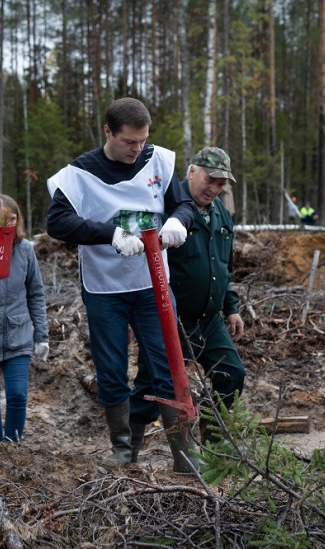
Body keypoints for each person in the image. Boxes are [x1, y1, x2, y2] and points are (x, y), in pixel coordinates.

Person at [46, 97, 194, 470]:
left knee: (166, 362)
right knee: (111, 367)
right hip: (105, 289)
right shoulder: (79, 173)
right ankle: (123, 449)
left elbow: (183, 203)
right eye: (129, 142)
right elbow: (57, 223)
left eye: (142, 140)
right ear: (108, 132)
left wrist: (178, 221)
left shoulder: (158, 160)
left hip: (153, 285)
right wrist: (108, 234)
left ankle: (183, 452)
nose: (137, 149)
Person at [129, 146, 246, 461]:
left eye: (222, 184)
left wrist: (231, 306)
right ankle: (128, 449)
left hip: (209, 319)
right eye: (210, 179)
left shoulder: (221, 212)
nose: (214, 188)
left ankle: (214, 440)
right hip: (172, 318)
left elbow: (224, 265)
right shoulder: (167, 206)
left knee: (232, 373)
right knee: (150, 383)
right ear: (192, 170)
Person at [0, 194, 49, 442]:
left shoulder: (26, 250)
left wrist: (42, 335)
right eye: (1, 219)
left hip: (18, 335)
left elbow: (36, 294)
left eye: (12, 219)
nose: (7, 224)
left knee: (17, 395)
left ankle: (12, 444)